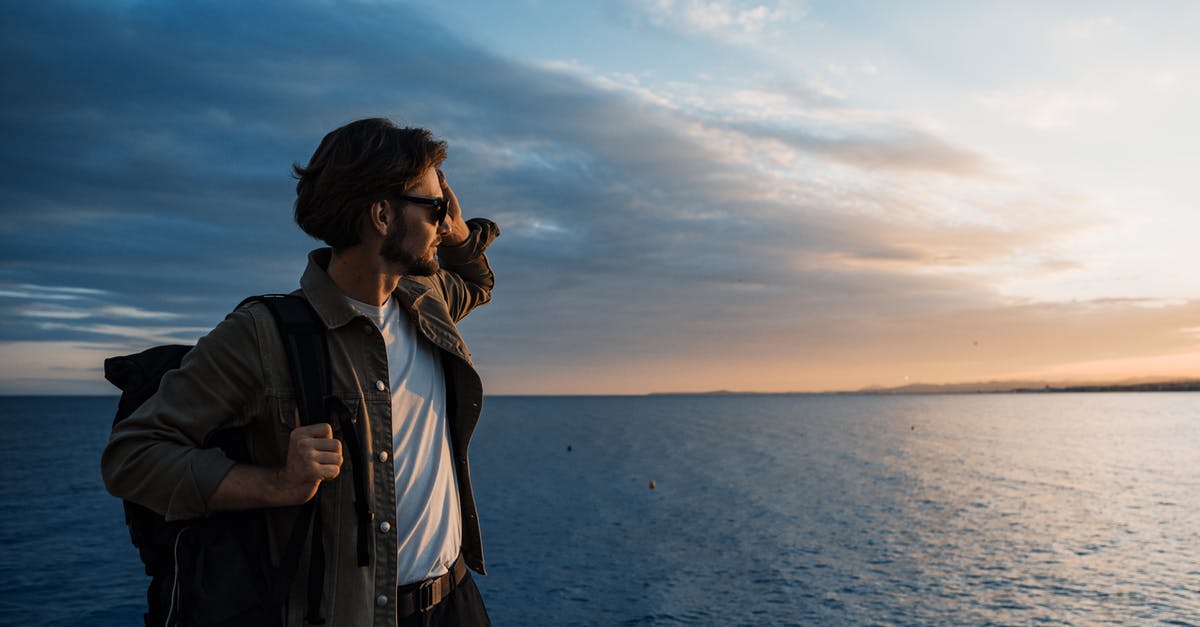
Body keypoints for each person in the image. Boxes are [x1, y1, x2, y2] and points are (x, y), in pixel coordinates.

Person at [102, 117, 500, 626]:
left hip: (456, 603)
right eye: (434, 208)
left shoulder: (425, 297)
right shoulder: (262, 335)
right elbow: (131, 456)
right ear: (381, 215)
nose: (443, 225)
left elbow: (477, 280)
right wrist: (276, 484)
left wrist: (459, 228)